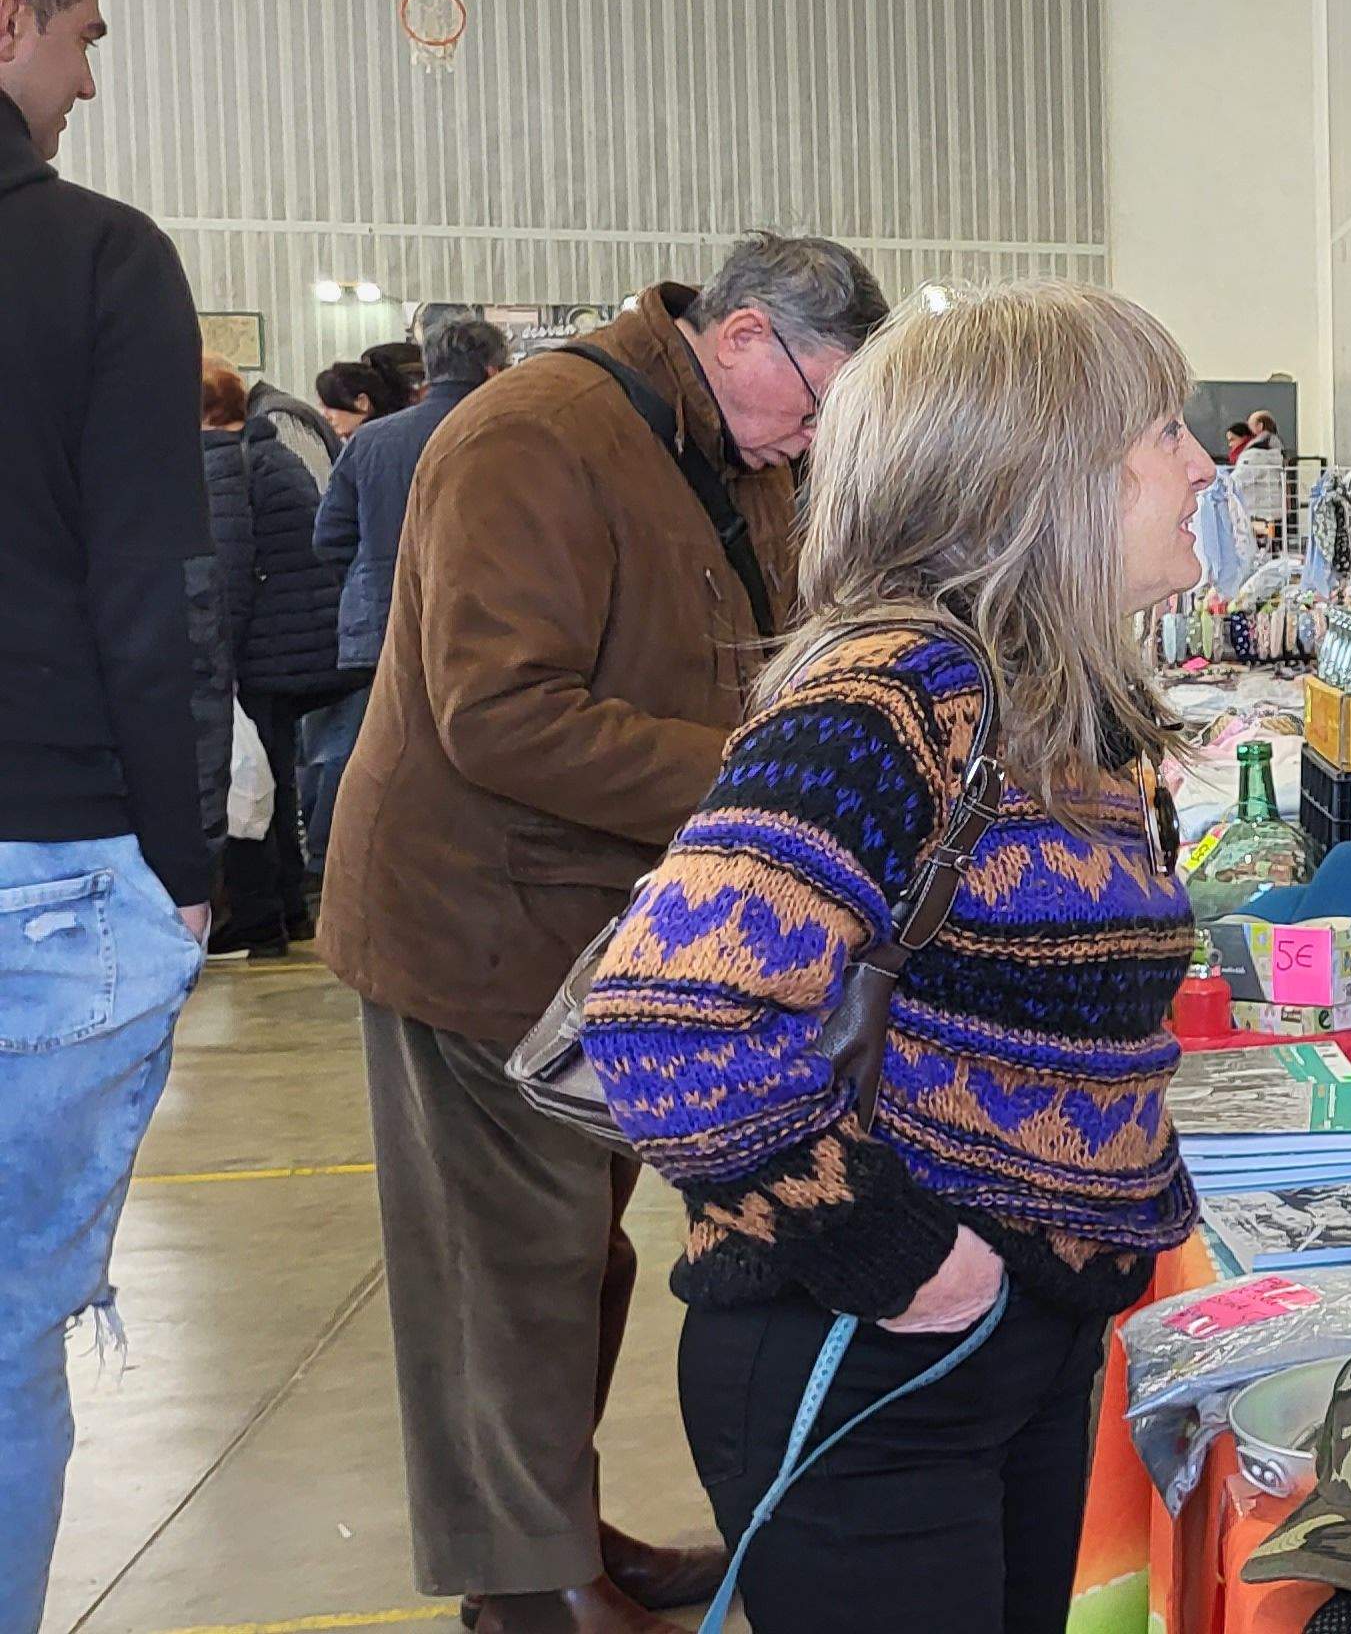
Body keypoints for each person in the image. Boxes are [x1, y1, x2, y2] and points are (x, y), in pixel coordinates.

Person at [580, 280, 1210, 1632]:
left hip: (1008, 1345)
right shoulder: (893, 696)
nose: (1204, 461)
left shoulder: (1055, 707)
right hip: (877, 1351)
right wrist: (905, 1258)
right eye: (1166, 429)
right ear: (1048, 474)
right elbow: (666, 1024)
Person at [318, 232, 885, 1634]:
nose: (810, 438)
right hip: (477, 926)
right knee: (506, 1270)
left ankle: (559, 1533)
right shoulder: (536, 436)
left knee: (579, 1252)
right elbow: (499, 715)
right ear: (743, 334)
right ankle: (528, 1592)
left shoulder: (720, 448)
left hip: (597, 932)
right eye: (812, 400)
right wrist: (762, 780)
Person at [0, 0, 209, 1634]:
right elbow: (154, 592)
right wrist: (194, 868)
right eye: (80, 33)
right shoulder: (93, 256)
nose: (87, 78)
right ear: (10, 14)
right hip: (42, 864)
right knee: (0, 1341)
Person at [311, 318, 509, 879]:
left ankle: (348, 866)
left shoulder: (372, 440)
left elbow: (328, 537)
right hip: (484, 618)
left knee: (372, 745)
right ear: (494, 370)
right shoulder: (508, 429)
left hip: (377, 618)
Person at [198, 357, 348, 955]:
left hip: (258, 654)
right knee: (275, 780)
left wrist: (216, 662)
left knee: (242, 783)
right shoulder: (269, 452)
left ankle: (259, 915)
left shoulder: (218, 465)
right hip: (297, 650)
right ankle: (289, 906)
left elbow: (226, 573)